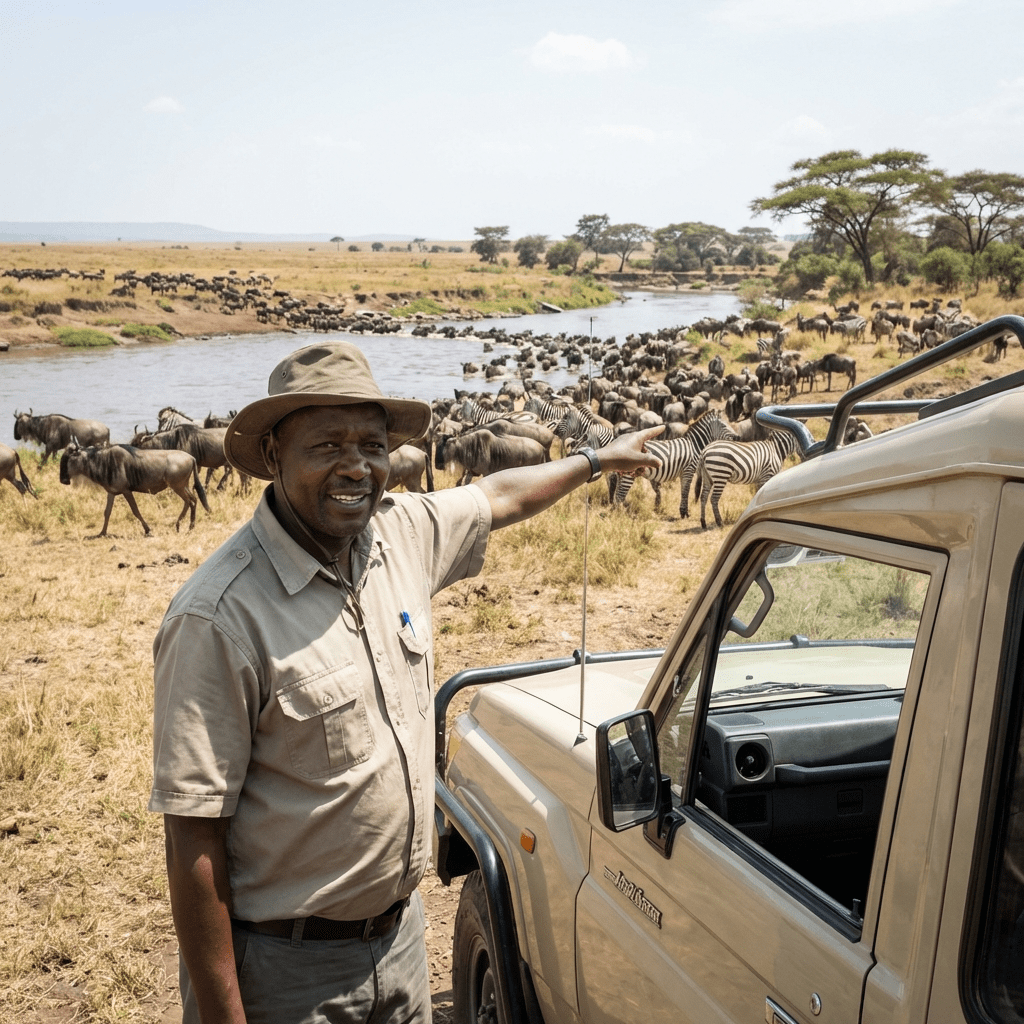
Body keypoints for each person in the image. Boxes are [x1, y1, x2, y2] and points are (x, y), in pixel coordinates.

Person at [149, 341, 662, 1024]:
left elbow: (498, 495)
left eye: (372, 442)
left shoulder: (401, 535)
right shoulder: (219, 617)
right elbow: (193, 839)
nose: (356, 466)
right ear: (273, 454)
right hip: (288, 971)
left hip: (401, 941)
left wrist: (596, 459)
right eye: (327, 445)